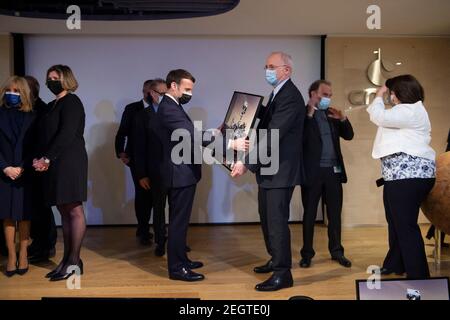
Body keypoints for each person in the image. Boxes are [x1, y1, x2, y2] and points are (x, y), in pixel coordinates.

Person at [231, 52, 306, 291]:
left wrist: (246, 162)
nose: (267, 70)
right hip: (270, 169)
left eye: (272, 66)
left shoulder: (291, 97)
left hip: (280, 171)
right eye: (265, 66)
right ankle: (275, 259)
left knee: (276, 223)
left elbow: (273, 135)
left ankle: (283, 274)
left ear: (287, 70)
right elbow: (265, 117)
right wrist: (239, 115)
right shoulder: (278, 94)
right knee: (267, 219)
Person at [367, 74, 436, 279]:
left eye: (391, 93)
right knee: (396, 222)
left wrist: (378, 95)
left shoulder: (410, 109)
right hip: (398, 177)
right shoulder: (408, 111)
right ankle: (396, 263)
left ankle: (419, 277)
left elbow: (379, 117)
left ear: (397, 94)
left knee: (405, 226)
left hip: (408, 177)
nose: (390, 97)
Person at [33, 64, 88, 281]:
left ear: (66, 79)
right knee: (64, 211)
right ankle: (67, 260)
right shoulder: (52, 105)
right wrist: (41, 157)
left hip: (70, 161)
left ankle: (74, 261)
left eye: (55, 77)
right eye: (48, 77)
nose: (50, 81)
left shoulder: (71, 101)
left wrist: (47, 158)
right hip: (56, 162)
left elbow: (66, 134)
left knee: (73, 209)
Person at [300, 80, 354, 269]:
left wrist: (343, 119)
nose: (328, 98)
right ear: (313, 94)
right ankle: (307, 253)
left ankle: (337, 251)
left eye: (330, 95)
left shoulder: (332, 114)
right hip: (312, 173)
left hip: (333, 172)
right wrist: (309, 114)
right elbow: (300, 138)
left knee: (334, 214)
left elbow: (349, 135)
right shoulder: (302, 113)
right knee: (309, 215)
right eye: (325, 95)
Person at [0, 76, 36, 277]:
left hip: (25, 172)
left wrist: (22, 167)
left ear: (23, 93)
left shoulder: (33, 115)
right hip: (3, 173)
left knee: (23, 215)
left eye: (15, 90)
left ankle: (23, 254)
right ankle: (11, 256)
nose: (11, 93)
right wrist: (5, 167)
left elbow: (36, 146)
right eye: (8, 90)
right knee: (7, 215)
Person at [115, 80, 155, 245]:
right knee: (142, 194)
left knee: (154, 196)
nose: (151, 95)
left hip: (155, 158)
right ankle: (143, 229)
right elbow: (122, 132)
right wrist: (121, 152)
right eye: (148, 91)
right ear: (143, 91)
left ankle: (149, 228)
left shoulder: (162, 108)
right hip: (136, 159)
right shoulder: (132, 109)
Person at [133, 78, 169, 256]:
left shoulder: (173, 112)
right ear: (153, 94)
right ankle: (160, 242)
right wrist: (141, 174)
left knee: (176, 208)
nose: (165, 97)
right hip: (154, 171)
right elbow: (138, 148)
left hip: (174, 170)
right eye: (162, 94)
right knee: (158, 207)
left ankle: (177, 242)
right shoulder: (142, 116)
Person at [24, 75, 57, 263]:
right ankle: (38, 243)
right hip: (26, 165)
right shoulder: (25, 110)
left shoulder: (42, 110)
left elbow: (44, 141)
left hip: (38, 166)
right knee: (33, 207)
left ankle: (46, 245)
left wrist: (39, 161)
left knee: (41, 207)